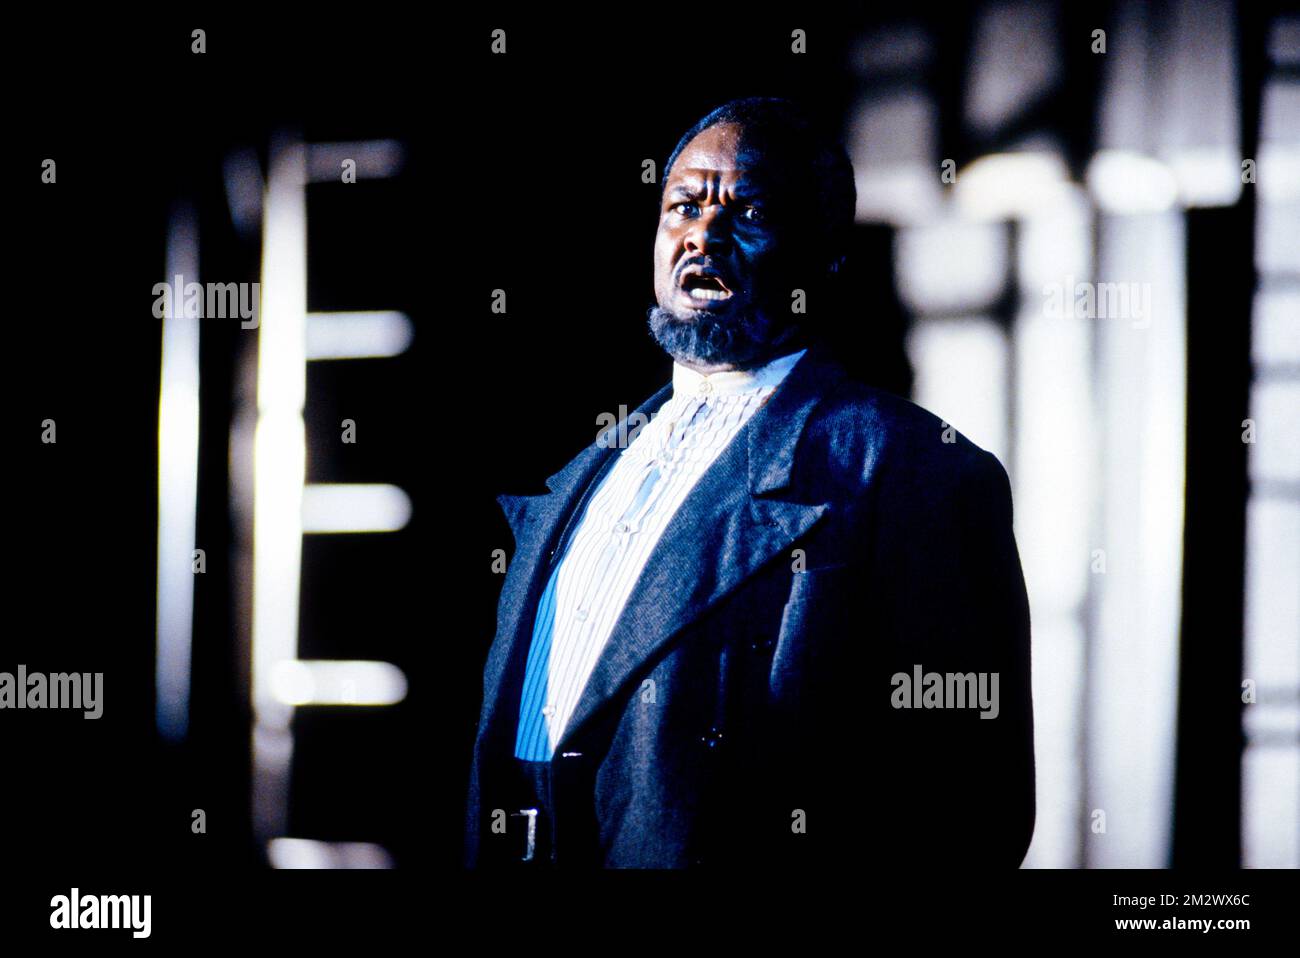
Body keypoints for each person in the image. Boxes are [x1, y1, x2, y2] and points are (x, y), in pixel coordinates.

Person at [464, 97, 1035, 869]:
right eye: (684, 205)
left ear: (827, 252)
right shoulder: (584, 471)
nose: (705, 231)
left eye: (751, 209)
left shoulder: (916, 474)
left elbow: (967, 811)